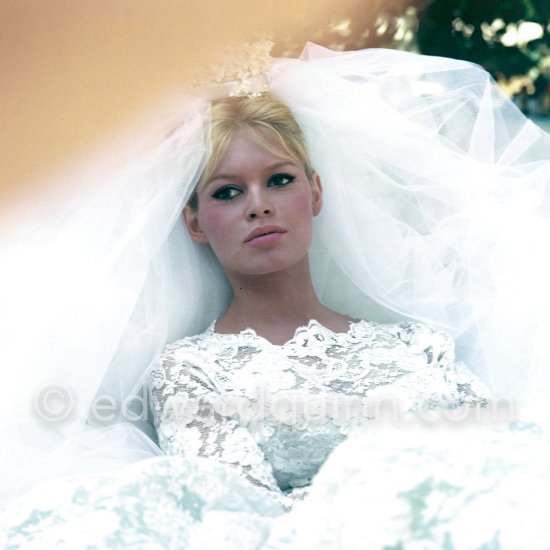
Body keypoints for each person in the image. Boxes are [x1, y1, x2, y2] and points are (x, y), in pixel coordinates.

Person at [2, 42, 550, 547]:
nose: (258, 205)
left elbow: (510, 456)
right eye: (228, 191)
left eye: (280, 180)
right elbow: (241, 519)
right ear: (194, 222)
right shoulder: (192, 371)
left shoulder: (417, 343)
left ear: (315, 191)